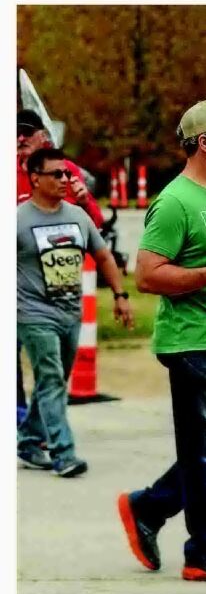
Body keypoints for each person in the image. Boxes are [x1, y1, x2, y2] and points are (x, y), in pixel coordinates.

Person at [116, 99, 206, 584]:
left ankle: (149, 506)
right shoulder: (174, 201)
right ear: (205, 143)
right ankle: (204, 551)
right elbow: (148, 276)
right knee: (203, 446)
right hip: (192, 342)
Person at [17, 148, 134, 477]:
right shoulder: (18, 220)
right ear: (35, 178)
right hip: (33, 314)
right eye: (57, 174)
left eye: (67, 174)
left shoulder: (77, 216)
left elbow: (104, 256)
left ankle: (27, 439)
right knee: (52, 379)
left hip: (70, 314)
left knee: (53, 382)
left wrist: (120, 295)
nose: (65, 180)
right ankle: (63, 453)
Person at [17, 109, 106, 427]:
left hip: (58, 288)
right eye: (34, 145)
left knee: (54, 369)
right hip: (19, 289)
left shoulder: (63, 171)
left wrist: (83, 201)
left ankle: (31, 431)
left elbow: (94, 226)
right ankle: (30, 428)